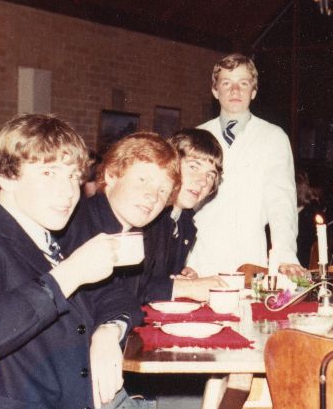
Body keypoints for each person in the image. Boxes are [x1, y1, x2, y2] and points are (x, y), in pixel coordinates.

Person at [0, 114, 195, 409]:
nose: (68, 190)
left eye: (72, 176)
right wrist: (69, 275)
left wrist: (108, 331)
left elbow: (117, 297)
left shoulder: (50, 241)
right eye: (48, 173)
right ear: (7, 176)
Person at [60, 131, 223, 305]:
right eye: (193, 167)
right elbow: (124, 291)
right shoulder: (140, 216)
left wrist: (182, 280)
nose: (202, 181)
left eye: (211, 175)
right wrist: (183, 287)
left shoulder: (183, 222)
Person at [187, 53, 302, 277]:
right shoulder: (197, 136)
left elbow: (282, 203)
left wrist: (285, 255)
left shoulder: (273, 137)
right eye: (226, 83)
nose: (235, 90)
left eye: (243, 83)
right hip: (197, 259)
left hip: (249, 259)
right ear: (214, 90)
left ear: (254, 91)